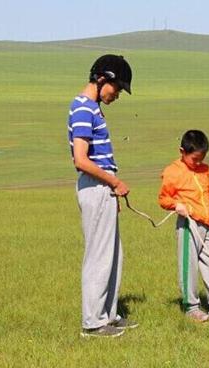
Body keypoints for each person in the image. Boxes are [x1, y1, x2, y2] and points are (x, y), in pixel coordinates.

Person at [68, 54, 138, 337]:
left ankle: (108, 315)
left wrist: (111, 188)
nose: (117, 94)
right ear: (102, 79)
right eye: (117, 88)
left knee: (113, 255)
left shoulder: (93, 109)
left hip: (103, 189)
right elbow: (80, 160)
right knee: (98, 255)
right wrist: (114, 181)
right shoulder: (83, 108)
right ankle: (92, 323)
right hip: (96, 187)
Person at [158, 130, 209, 322]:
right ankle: (192, 308)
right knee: (189, 265)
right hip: (189, 225)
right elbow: (163, 198)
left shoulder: (206, 170)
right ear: (182, 151)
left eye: (202, 158)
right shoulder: (173, 171)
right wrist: (176, 205)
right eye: (194, 159)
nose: (198, 162)